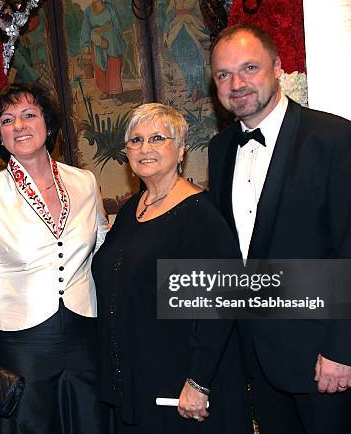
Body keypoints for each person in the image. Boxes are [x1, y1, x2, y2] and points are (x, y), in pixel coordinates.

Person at [208, 24, 351, 434]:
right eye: (223, 74)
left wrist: (344, 350)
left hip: (323, 358)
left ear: (278, 67)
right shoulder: (220, 151)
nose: (237, 84)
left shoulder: (335, 139)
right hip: (257, 357)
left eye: (249, 67)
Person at [92, 103, 252, 434]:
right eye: (135, 140)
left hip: (178, 384)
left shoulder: (199, 216)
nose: (144, 148)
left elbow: (220, 306)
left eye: (156, 138)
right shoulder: (131, 211)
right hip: (138, 376)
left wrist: (198, 382)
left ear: (180, 151)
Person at [0, 82, 109, 433]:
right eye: (7, 120)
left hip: (84, 335)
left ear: (48, 123)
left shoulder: (84, 182)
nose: (20, 125)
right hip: (21, 346)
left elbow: (105, 250)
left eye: (29, 115)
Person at [80, 0, 125, 105]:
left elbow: (117, 24)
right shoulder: (88, 11)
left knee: (113, 64)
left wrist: (117, 38)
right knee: (99, 66)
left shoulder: (109, 7)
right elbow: (85, 29)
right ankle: (105, 91)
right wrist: (86, 45)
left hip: (111, 40)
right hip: (97, 40)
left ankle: (115, 94)